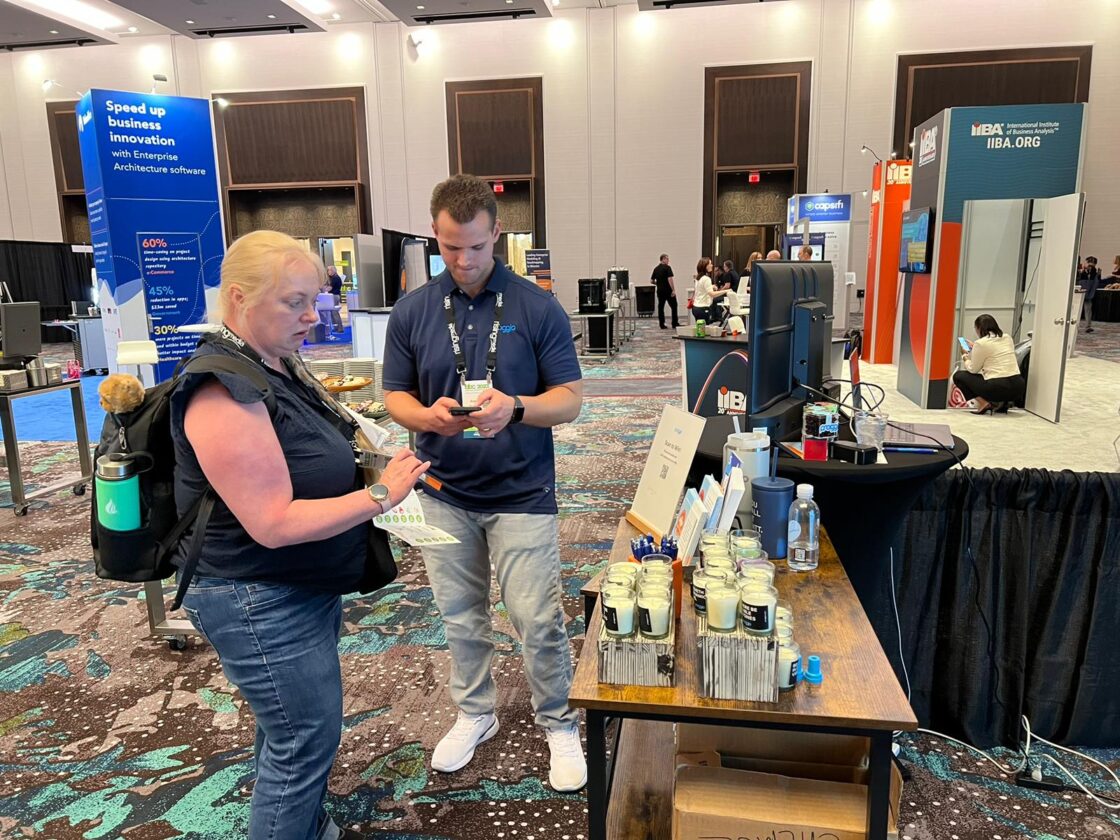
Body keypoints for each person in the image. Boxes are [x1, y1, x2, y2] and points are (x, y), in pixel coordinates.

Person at [171, 230, 429, 840]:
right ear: (239, 299)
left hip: (291, 588)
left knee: (290, 730)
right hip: (255, 596)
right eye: (295, 302)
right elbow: (272, 521)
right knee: (301, 741)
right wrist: (380, 495)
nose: (313, 317)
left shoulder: (270, 363)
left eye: (314, 300)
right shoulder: (221, 387)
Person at [381, 174, 587, 792]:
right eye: (449, 247)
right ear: (435, 238)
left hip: (522, 492)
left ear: (497, 234)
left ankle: (558, 721)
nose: (464, 260)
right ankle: (476, 713)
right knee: (461, 615)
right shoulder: (414, 310)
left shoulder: (536, 306)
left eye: (475, 246)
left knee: (534, 615)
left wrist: (516, 408)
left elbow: (570, 400)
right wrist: (426, 417)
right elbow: (395, 394)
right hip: (442, 492)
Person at [952, 313, 1025, 414]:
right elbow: (995, 351)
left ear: (979, 328)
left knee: (959, 376)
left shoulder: (981, 343)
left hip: (997, 387)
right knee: (1001, 379)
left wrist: (965, 356)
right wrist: (976, 348)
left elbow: (973, 369)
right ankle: (1002, 404)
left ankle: (983, 403)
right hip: (1018, 386)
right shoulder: (1007, 337)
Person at [692, 257, 727, 323]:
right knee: (704, 330)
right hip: (703, 308)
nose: (712, 265)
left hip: (696, 307)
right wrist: (726, 291)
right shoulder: (706, 279)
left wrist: (711, 286)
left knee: (700, 330)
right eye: (710, 264)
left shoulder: (698, 277)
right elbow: (712, 294)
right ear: (705, 266)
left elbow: (701, 288)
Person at [651, 253, 679, 329]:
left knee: (661, 307)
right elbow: (670, 279)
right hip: (668, 290)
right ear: (663, 259)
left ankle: (662, 324)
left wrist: (658, 283)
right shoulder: (667, 268)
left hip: (660, 291)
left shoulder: (656, 269)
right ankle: (674, 323)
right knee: (674, 306)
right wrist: (673, 290)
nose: (668, 260)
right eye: (667, 259)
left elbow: (651, 281)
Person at [1077, 255, 1101, 333]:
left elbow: (1096, 282)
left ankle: (1088, 326)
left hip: (1088, 292)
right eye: (1089, 263)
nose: (1090, 265)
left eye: (1092, 263)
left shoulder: (1095, 272)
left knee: (1088, 309)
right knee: (1078, 309)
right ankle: (1075, 325)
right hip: (1079, 291)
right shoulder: (1081, 270)